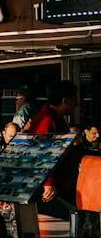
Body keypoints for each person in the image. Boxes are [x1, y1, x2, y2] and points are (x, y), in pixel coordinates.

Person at [28, 80, 79, 210]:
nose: (76, 104)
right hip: (51, 189)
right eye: (74, 99)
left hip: (59, 185)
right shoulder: (47, 119)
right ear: (64, 100)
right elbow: (39, 151)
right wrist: (48, 183)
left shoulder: (54, 117)